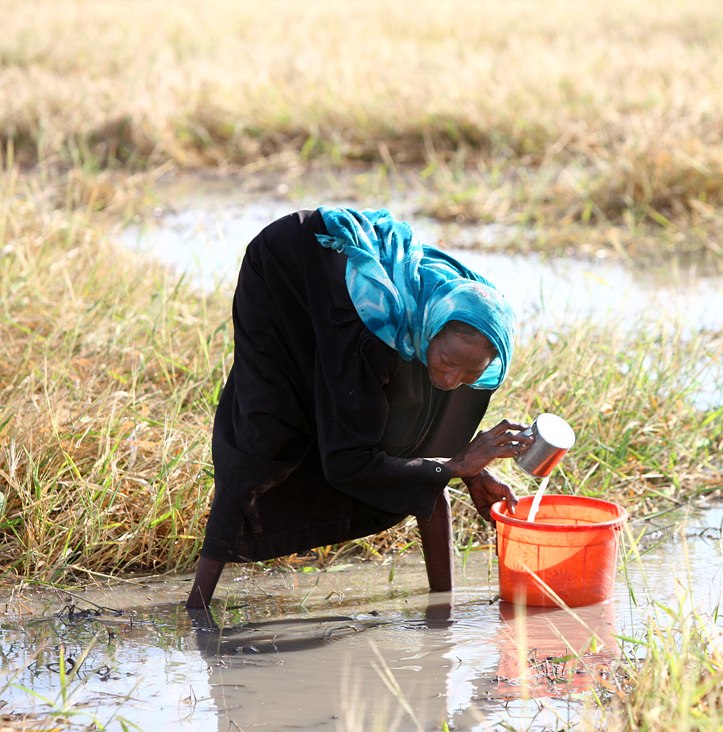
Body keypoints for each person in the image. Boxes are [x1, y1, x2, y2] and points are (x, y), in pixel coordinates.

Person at [185, 206, 528, 609]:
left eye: (472, 372)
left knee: (414, 430)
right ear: (430, 330)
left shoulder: (466, 315)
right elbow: (345, 462)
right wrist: (453, 468)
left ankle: (442, 605)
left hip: (354, 303)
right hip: (289, 269)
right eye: (448, 363)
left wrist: (469, 473)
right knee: (269, 429)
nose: (453, 379)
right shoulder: (377, 336)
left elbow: (423, 451)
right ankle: (198, 603)